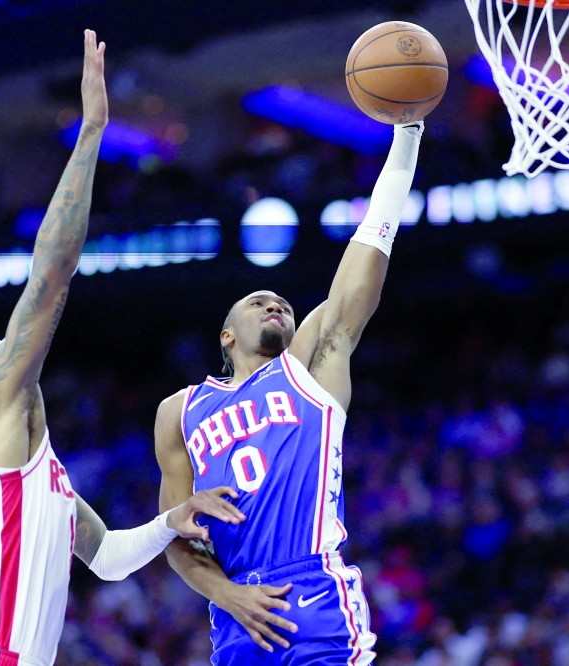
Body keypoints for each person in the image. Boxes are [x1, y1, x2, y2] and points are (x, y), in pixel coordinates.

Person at [0, 31, 245, 666]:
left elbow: (112, 559)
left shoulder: (41, 474)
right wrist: (92, 131)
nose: (9, 346)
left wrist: (171, 519)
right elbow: (49, 275)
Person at [155, 119, 426, 664]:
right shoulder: (179, 411)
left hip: (312, 590)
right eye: (258, 301)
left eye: (283, 303)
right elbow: (177, 540)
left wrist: (407, 140)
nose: (274, 304)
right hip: (234, 613)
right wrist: (228, 594)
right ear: (226, 334)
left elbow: (365, 253)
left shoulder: (308, 372)